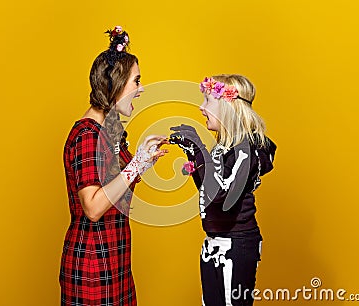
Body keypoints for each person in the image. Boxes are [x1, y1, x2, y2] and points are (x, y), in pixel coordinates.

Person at [59, 26, 168, 306]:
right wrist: (135, 166)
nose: (141, 89)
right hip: (93, 269)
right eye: (136, 81)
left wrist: (141, 161)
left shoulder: (107, 132)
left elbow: (114, 189)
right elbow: (93, 208)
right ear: (116, 85)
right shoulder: (87, 135)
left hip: (115, 262)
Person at [170, 74, 276, 306]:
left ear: (228, 106)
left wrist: (198, 149)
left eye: (208, 101)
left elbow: (221, 195)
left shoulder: (246, 150)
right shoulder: (225, 147)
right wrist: (193, 152)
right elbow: (209, 193)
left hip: (235, 245)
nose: (201, 107)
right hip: (214, 242)